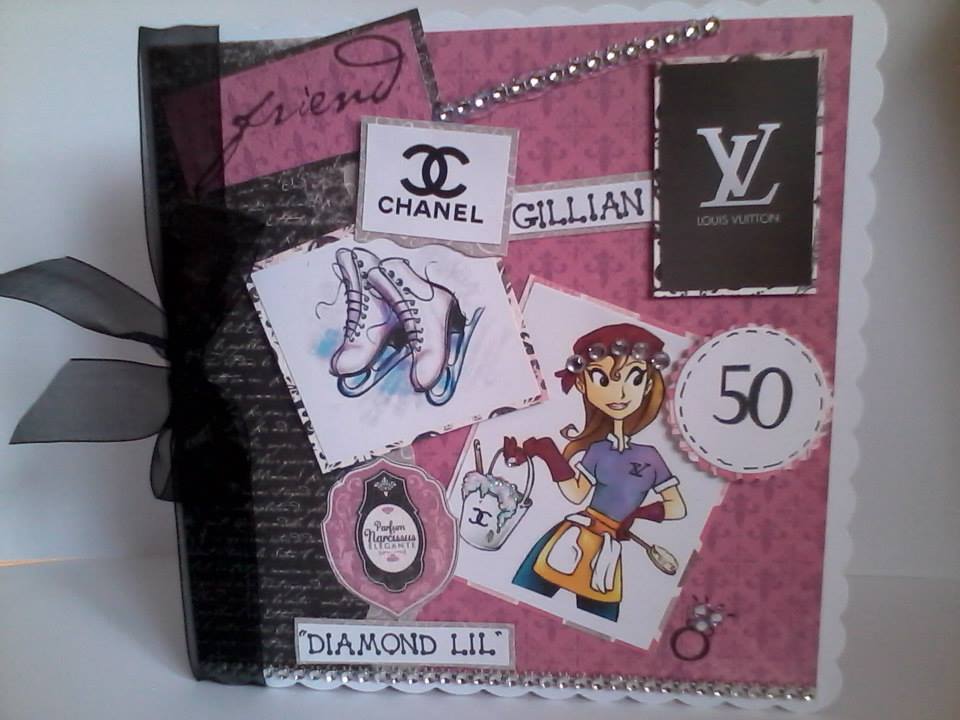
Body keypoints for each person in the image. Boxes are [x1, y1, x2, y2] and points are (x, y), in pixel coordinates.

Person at [505, 323, 686, 622]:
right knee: (526, 589)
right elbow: (577, 493)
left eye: (634, 378)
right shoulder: (598, 451)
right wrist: (550, 454)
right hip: (573, 533)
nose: (619, 392)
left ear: (648, 385)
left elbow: (677, 507)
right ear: (582, 384)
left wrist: (638, 514)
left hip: (607, 549)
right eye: (602, 379)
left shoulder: (650, 458)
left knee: (601, 613)